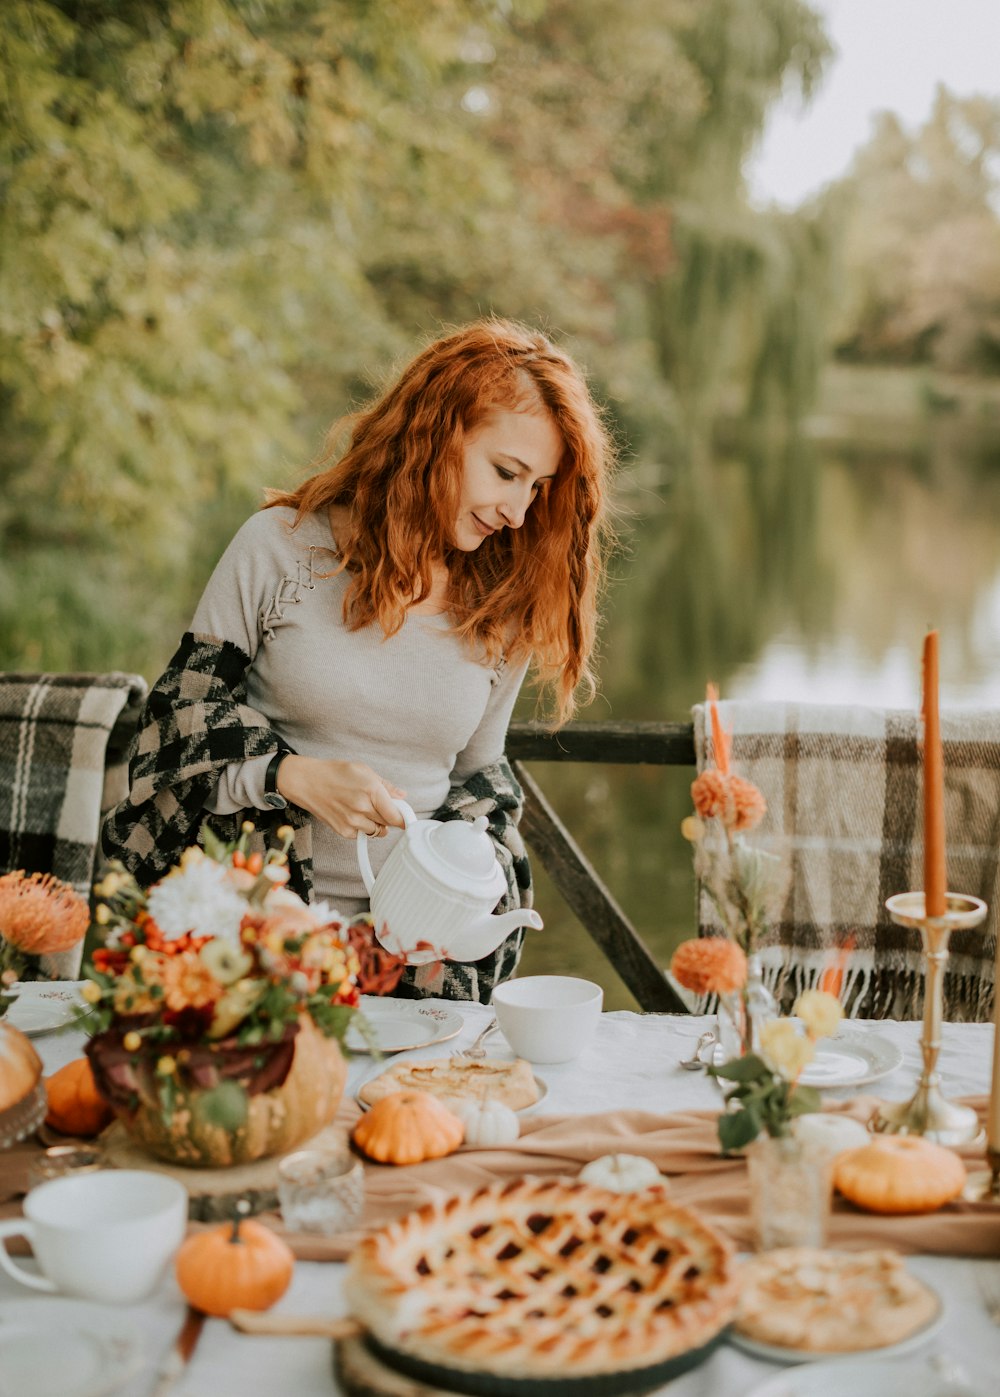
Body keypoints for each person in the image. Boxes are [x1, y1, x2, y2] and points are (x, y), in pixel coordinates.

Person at [102, 318, 615, 1000]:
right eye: (506, 472)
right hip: (249, 955)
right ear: (435, 432)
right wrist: (288, 774)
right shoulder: (277, 550)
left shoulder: (505, 607)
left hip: (414, 972)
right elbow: (172, 734)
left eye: (538, 488)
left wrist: (469, 874)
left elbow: (479, 776)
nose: (519, 512)